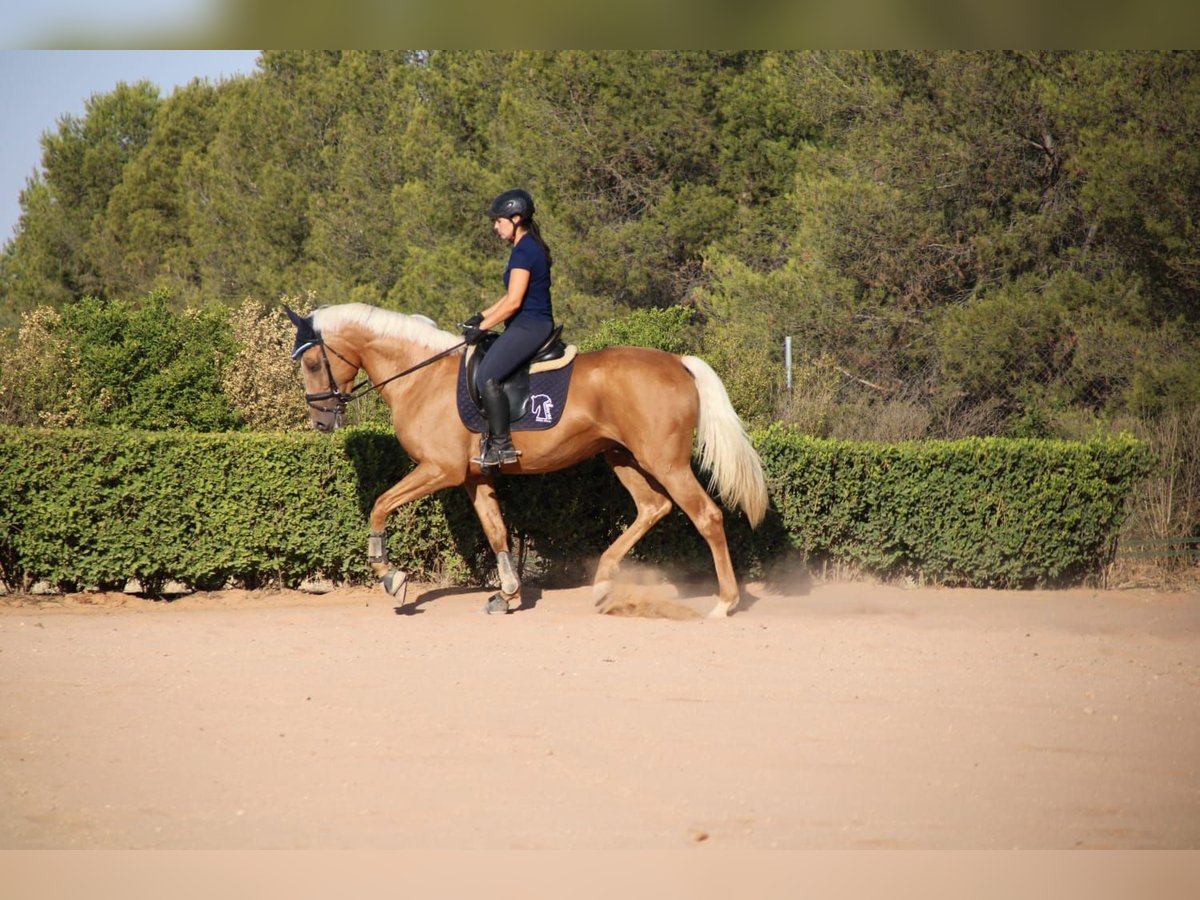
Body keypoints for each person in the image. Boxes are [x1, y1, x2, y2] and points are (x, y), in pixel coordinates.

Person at [462, 188, 555, 468]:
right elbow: (508, 298)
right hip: (526, 323)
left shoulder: (525, 250)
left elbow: (514, 303)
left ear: (516, 218)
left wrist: (483, 328)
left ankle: (502, 445)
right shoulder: (524, 247)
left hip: (531, 325)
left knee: (488, 375)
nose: (495, 226)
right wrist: (480, 317)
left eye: (498, 220)